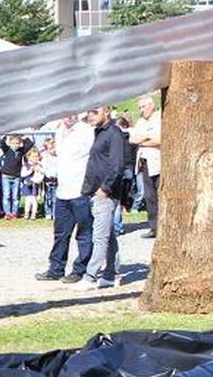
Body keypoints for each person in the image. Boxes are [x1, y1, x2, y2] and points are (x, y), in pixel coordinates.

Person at [35, 114, 94, 283]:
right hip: (62, 191)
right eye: (65, 113)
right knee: (60, 233)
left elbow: (94, 158)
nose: (68, 116)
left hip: (80, 191)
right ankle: (56, 268)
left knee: (83, 234)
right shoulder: (59, 130)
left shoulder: (86, 132)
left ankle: (80, 269)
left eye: (72, 112)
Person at [73, 106, 125, 291]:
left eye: (95, 111)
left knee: (100, 237)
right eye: (89, 112)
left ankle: (90, 276)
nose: (90, 116)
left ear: (107, 111)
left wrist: (105, 188)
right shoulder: (99, 132)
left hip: (106, 193)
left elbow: (117, 164)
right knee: (109, 235)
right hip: (95, 190)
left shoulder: (114, 133)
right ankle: (112, 274)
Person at [130, 95, 161, 239]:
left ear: (152, 105)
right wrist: (147, 138)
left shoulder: (159, 118)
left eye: (144, 106)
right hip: (145, 162)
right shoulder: (141, 121)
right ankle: (154, 227)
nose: (142, 110)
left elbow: (160, 139)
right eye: (140, 108)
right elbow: (133, 138)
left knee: (161, 194)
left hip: (159, 161)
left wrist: (143, 140)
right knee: (149, 196)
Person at [0, 135, 33, 219]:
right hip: (6, 176)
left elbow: (30, 143)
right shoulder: (6, 150)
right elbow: (2, 142)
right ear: (10, 143)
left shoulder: (21, 151)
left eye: (17, 143)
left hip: (16, 177)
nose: (15, 145)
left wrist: (23, 137)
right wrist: (6, 136)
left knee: (15, 196)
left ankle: (14, 212)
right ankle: (7, 213)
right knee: (6, 195)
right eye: (13, 143)